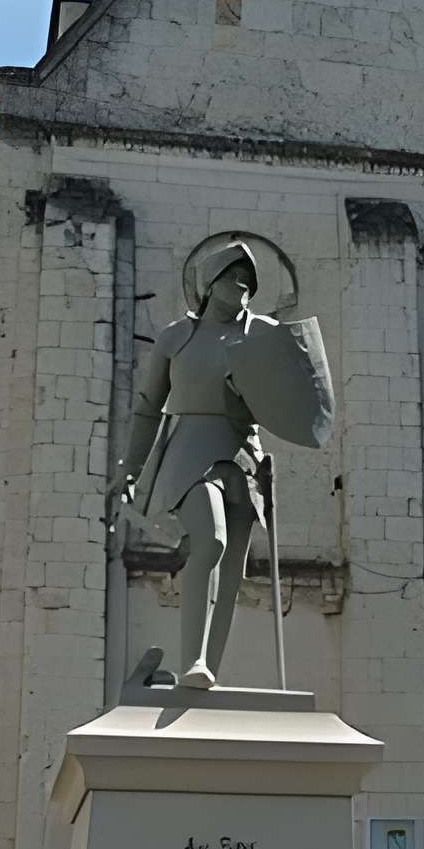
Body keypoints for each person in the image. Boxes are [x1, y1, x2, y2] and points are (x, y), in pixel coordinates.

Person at [106, 240, 270, 689]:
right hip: (191, 448)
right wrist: (130, 469)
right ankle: (194, 659)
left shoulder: (264, 333)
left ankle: (205, 674)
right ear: (210, 284)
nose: (242, 282)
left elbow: (292, 400)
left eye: (247, 278)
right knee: (210, 541)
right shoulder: (177, 336)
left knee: (233, 570)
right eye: (232, 274)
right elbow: (147, 408)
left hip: (242, 456)